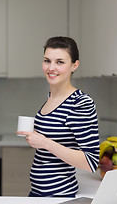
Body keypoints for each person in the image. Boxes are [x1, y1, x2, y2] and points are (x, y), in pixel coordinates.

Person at [17, 36, 100, 198]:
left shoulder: (80, 103)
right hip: (38, 193)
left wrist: (45, 142)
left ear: (74, 65)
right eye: (47, 61)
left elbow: (90, 161)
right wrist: (36, 137)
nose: (51, 68)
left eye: (60, 62)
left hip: (59, 196)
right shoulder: (50, 97)